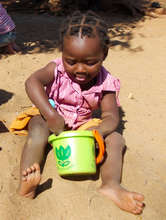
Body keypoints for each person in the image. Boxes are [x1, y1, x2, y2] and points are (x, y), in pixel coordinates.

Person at [18, 10, 144, 214]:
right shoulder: (56, 69)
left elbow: (111, 116)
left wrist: (99, 132)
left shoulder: (106, 83)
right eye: (71, 61)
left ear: (104, 54)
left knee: (117, 140)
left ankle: (110, 184)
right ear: (62, 53)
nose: (80, 69)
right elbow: (32, 82)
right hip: (51, 115)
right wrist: (50, 114)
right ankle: (27, 182)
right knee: (38, 130)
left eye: (90, 62)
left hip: (83, 127)